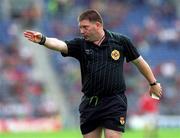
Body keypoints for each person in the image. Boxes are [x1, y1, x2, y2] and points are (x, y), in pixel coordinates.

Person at [24, 9, 162, 138]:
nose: (82, 31)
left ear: (97, 25)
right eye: (80, 28)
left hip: (114, 100)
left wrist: (153, 83)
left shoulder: (120, 42)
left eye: (85, 27)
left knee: (112, 136)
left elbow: (139, 62)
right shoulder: (81, 45)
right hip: (90, 102)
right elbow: (60, 45)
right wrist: (43, 40)